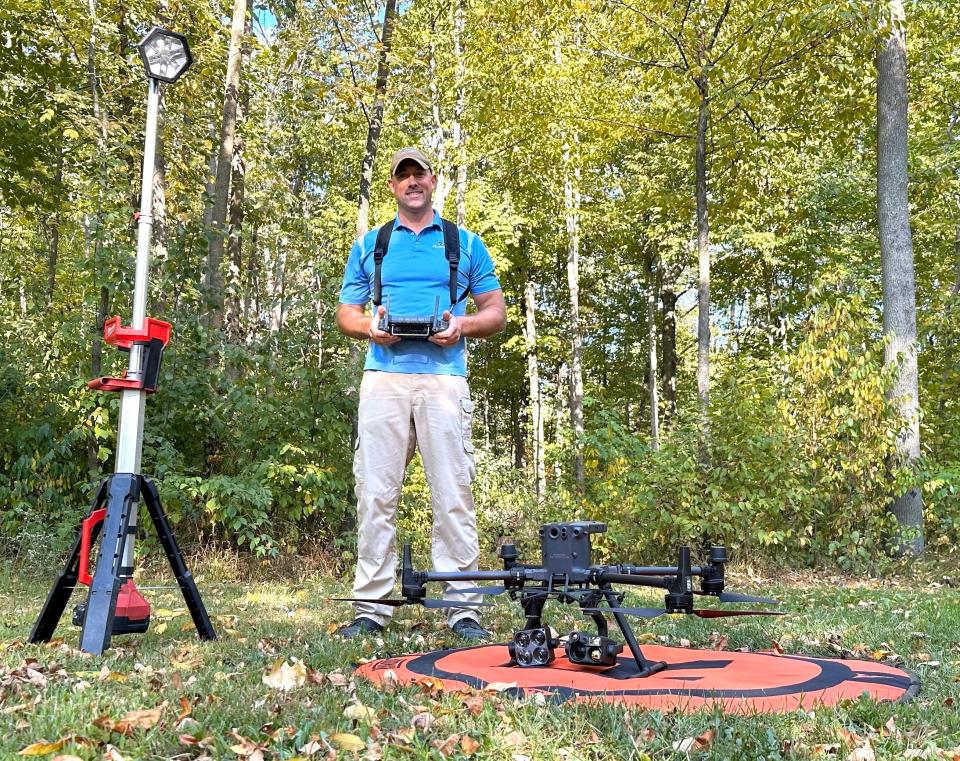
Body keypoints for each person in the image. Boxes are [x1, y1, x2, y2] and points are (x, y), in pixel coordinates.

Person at [335, 147, 507, 640]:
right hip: (383, 377)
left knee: (453, 493)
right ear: (392, 186)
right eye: (402, 176)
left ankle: (464, 607)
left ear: (433, 182)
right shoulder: (372, 244)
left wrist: (461, 325)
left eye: (420, 174)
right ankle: (371, 607)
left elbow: (494, 312)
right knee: (374, 492)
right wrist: (371, 327)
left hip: (444, 380)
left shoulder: (464, 242)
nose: (412, 182)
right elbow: (348, 312)